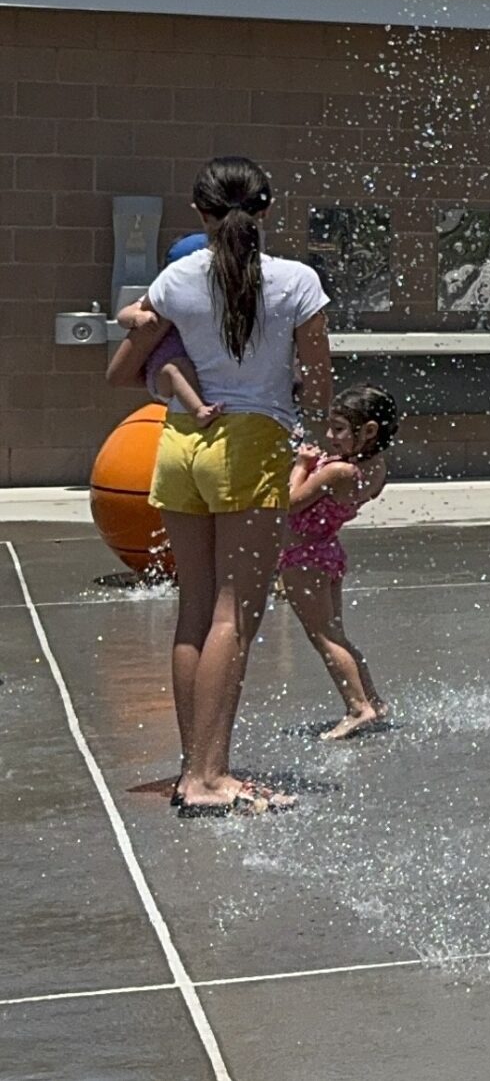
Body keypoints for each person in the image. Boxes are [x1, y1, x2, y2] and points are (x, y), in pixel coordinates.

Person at [110, 157, 331, 817]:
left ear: (200, 213)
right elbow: (317, 377)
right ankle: (210, 776)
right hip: (250, 445)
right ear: (265, 212)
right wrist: (299, 402)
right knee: (238, 613)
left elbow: (137, 334)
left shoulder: (177, 277)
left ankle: (195, 766)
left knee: (197, 610)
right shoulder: (297, 281)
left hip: (180, 445)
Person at [279, 386, 399, 740]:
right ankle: (373, 701)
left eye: (339, 429)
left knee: (323, 636)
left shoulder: (338, 473)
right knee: (336, 635)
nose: (330, 436)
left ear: (370, 431)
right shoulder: (375, 469)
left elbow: (289, 502)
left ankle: (357, 708)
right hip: (327, 552)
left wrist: (301, 466)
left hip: (304, 557)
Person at [110, 233, 219, 422]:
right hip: (163, 369)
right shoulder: (164, 298)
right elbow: (123, 315)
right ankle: (199, 411)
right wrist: (138, 317)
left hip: (194, 374)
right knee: (176, 369)